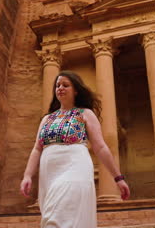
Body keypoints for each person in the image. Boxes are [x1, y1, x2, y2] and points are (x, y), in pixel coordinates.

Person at [20, 70, 130, 228]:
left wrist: (118, 178)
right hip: (49, 174)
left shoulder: (85, 114)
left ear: (76, 90)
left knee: (58, 215)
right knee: (53, 216)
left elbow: (100, 147)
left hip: (75, 167)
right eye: (57, 85)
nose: (60, 88)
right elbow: (37, 149)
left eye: (66, 85)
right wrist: (27, 176)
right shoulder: (47, 119)